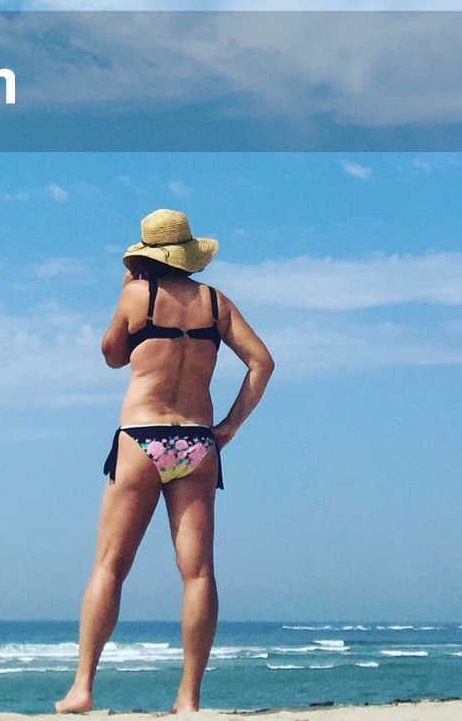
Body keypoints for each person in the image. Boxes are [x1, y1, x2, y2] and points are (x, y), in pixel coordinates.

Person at [56, 209, 275, 715]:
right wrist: (230, 426)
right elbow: (262, 362)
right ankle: (188, 698)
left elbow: (112, 354)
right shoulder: (217, 303)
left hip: (142, 436)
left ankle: (83, 687)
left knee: (110, 566)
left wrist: (129, 288)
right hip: (197, 442)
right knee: (197, 573)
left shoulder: (138, 296)